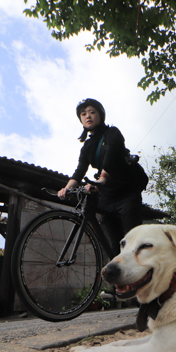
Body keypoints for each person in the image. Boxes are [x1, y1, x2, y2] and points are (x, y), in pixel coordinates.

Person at [58, 99, 148, 256]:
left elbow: (111, 156)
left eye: (92, 112)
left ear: (101, 115)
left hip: (126, 193)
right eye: (83, 114)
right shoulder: (86, 147)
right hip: (107, 197)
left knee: (133, 241)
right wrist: (66, 189)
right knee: (115, 244)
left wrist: (102, 178)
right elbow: (79, 171)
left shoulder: (112, 133)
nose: (88, 116)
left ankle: (144, 277)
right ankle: (118, 280)